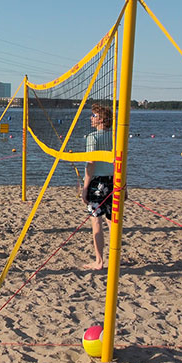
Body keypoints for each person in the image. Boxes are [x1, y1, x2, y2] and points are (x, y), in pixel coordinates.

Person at [82, 104, 114, 270]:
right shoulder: (116, 137)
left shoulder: (92, 137)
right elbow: (121, 163)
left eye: (94, 115)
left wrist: (85, 187)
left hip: (97, 183)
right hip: (114, 181)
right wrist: (124, 186)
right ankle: (114, 259)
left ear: (101, 119)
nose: (91, 118)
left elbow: (91, 164)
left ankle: (99, 261)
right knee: (112, 222)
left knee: (96, 221)